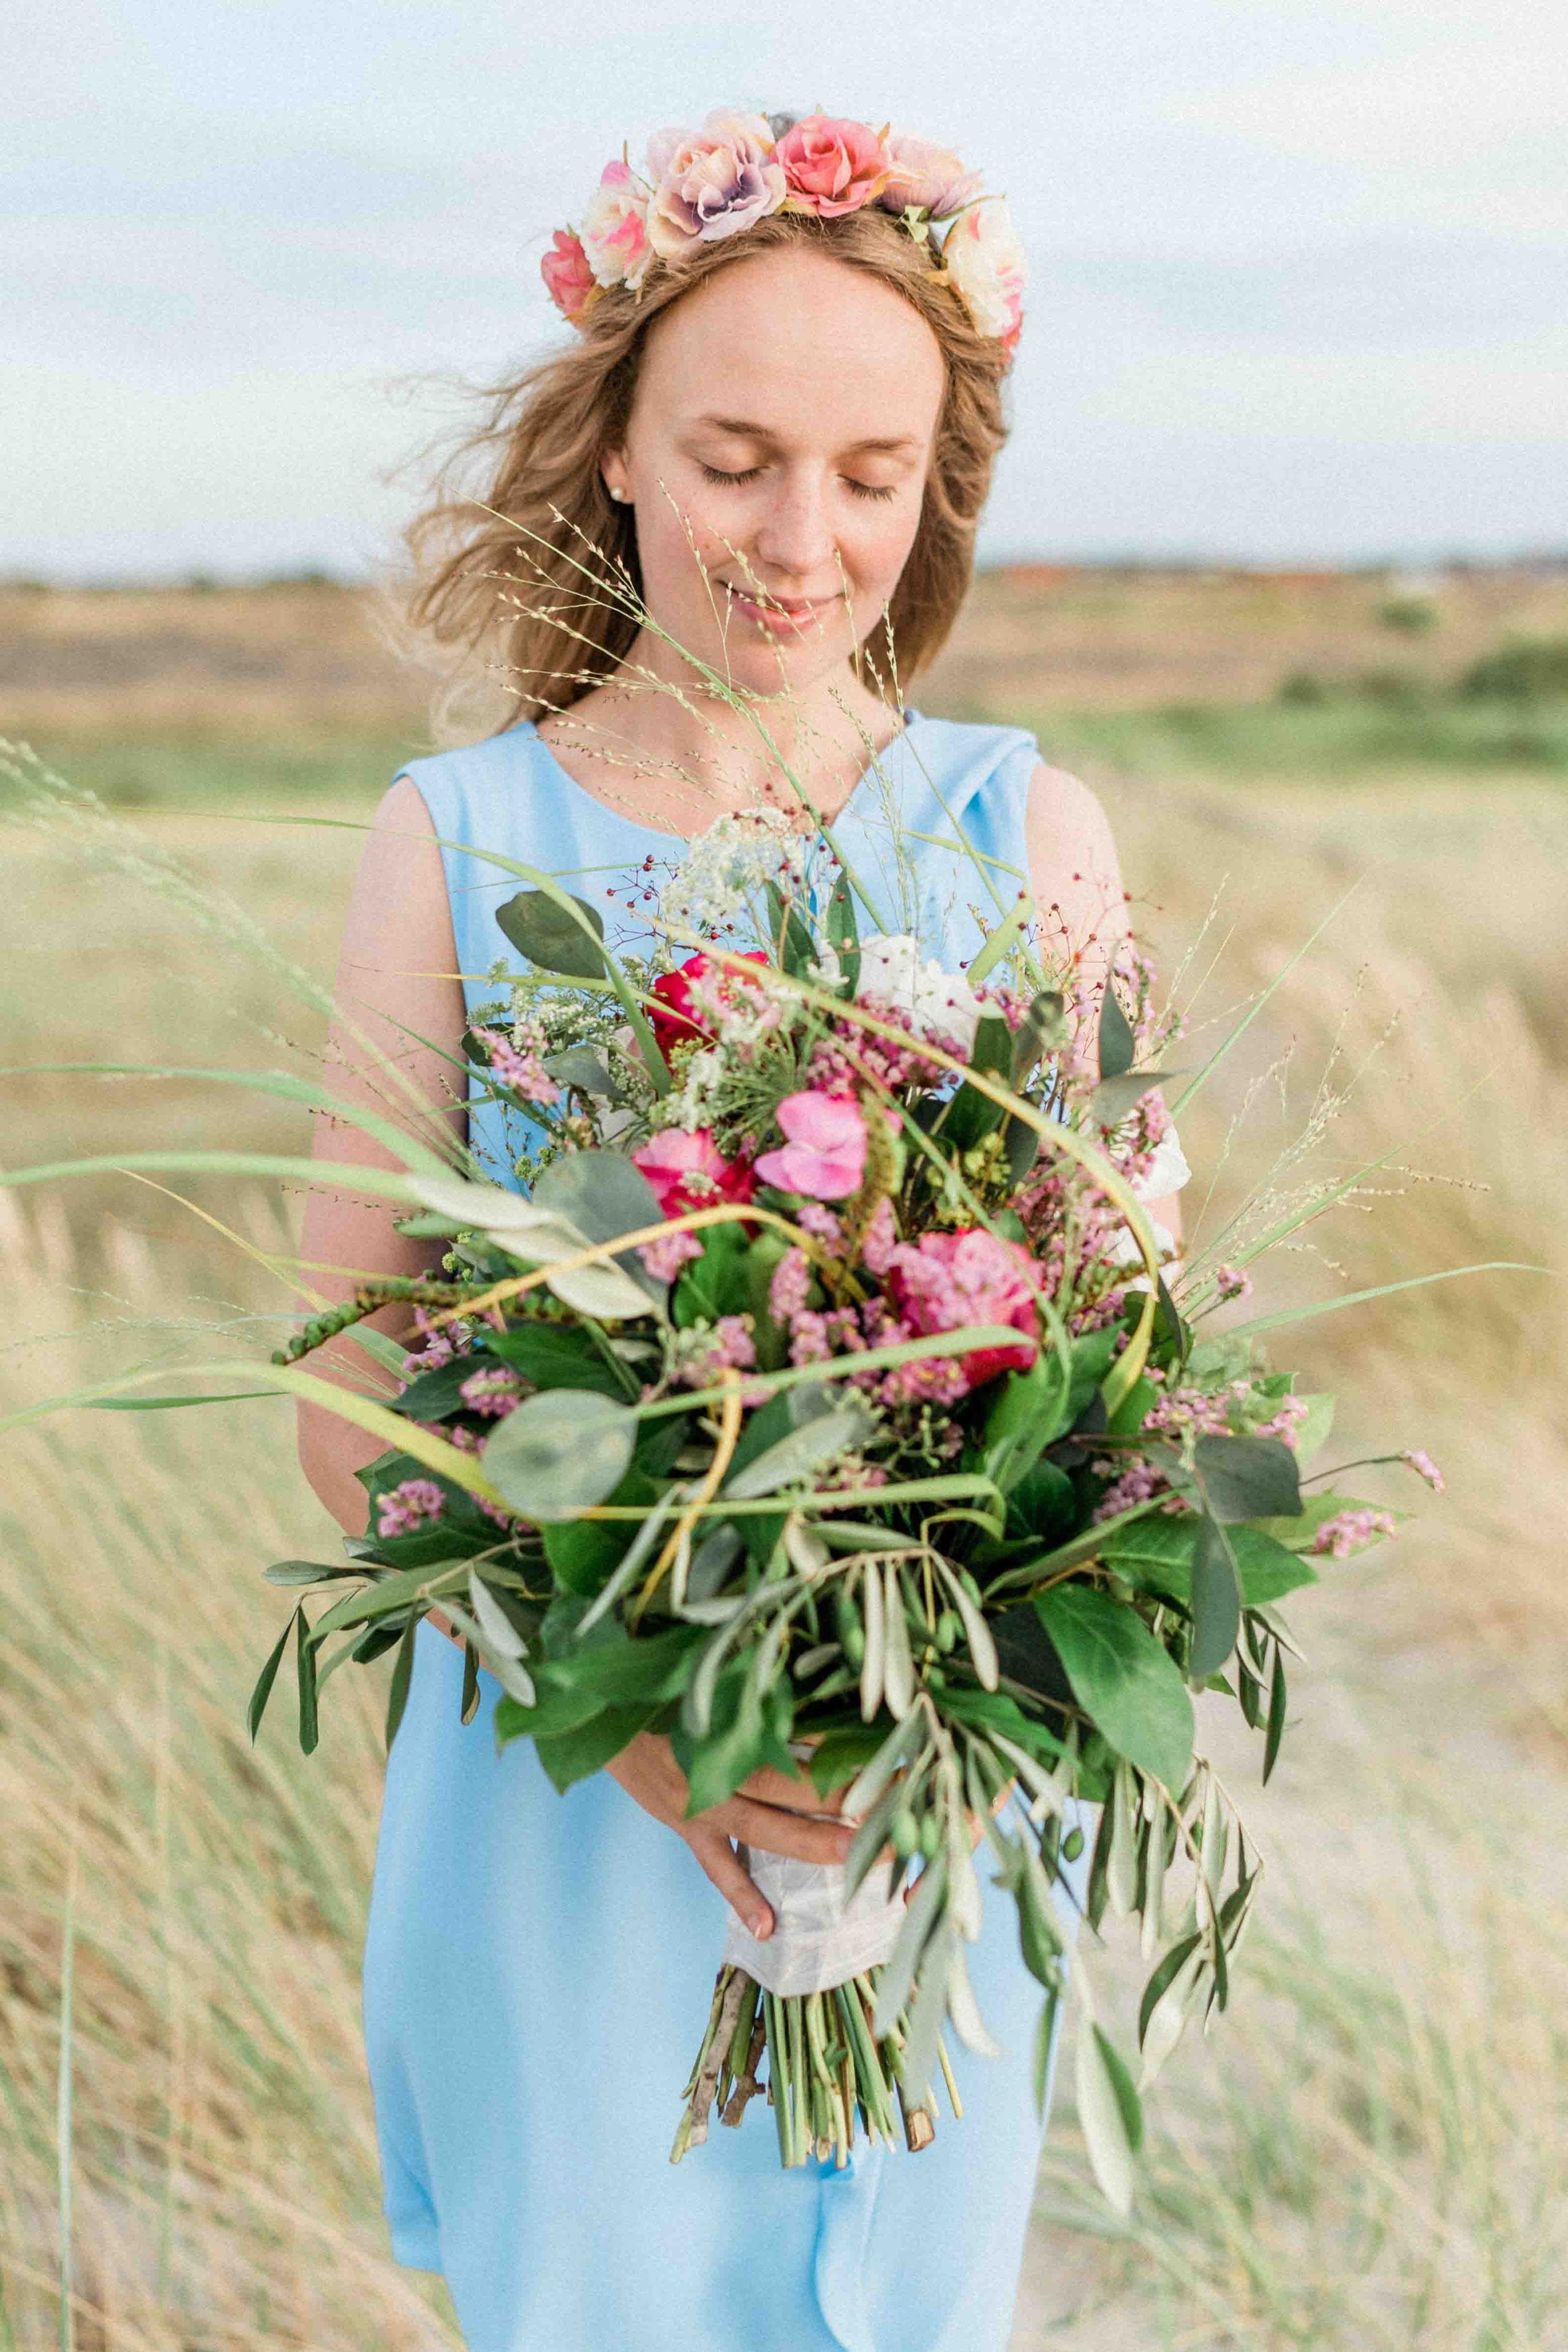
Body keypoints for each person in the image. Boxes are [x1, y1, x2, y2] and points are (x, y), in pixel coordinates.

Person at [297, 108, 1186, 2352]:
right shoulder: (458, 838)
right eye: (736, 458)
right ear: (611, 447)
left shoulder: (1023, 827)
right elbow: (346, 1370)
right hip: (577, 1787)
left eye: (873, 475)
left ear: (934, 487)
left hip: (920, 1798)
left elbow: (1126, 1350)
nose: (804, 543)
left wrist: (909, 1687)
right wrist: (666, 1739)